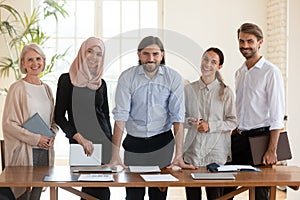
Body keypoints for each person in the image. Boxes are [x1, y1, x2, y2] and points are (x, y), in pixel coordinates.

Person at [109, 36, 195, 200]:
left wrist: (179, 155)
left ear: (162, 55)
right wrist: (115, 154)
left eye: (155, 54)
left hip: (162, 142)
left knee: (158, 195)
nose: (151, 59)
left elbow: (177, 117)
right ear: (139, 54)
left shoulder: (173, 78)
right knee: (134, 195)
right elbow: (120, 116)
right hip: (134, 143)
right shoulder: (127, 77)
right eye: (146, 54)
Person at [224, 23, 285, 200]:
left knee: (260, 193)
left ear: (260, 42)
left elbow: (276, 116)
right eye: (241, 41)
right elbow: (242, 107)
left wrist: (272, 149)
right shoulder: (240, 72)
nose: (245, 46)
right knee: (226, 188)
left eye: (250, 41)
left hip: (261, 139)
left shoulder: (270, 72)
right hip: (239, 138)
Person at [54, 37, 112, 200]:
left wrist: (112, 146)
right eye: (90, 51)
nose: (94, 57)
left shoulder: (102, 83)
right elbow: (59, 116)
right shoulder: (67, 80)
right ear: (82, 52)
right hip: (81, 143)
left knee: (103, 191)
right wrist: (79, 138)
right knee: (86, 190)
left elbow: (106, 116)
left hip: (103, 143)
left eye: (99, 54)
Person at [2, 44, 58, 200]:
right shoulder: (17, 88)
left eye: (38, 58)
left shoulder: (47, 89)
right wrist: (36, 139)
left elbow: (52, 121)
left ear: (43, 61)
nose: (35, 63)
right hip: (25, 150)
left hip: (44, 151)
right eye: (30, 60)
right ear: (23, 64)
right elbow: (8, 124)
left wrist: (53, 134)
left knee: (36, 194)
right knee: (23, 196)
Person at [183, 47, 236, 200]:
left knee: (215, 197)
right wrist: (190, 122)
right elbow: (180, 119)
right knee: (192, 197)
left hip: (216, 155)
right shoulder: (188, 89)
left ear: (219, 67)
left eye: (213, 62)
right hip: (192, 154)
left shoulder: (226, 92)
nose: (207, 64)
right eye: (205, 59)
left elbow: (233, 122)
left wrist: (210, 125)